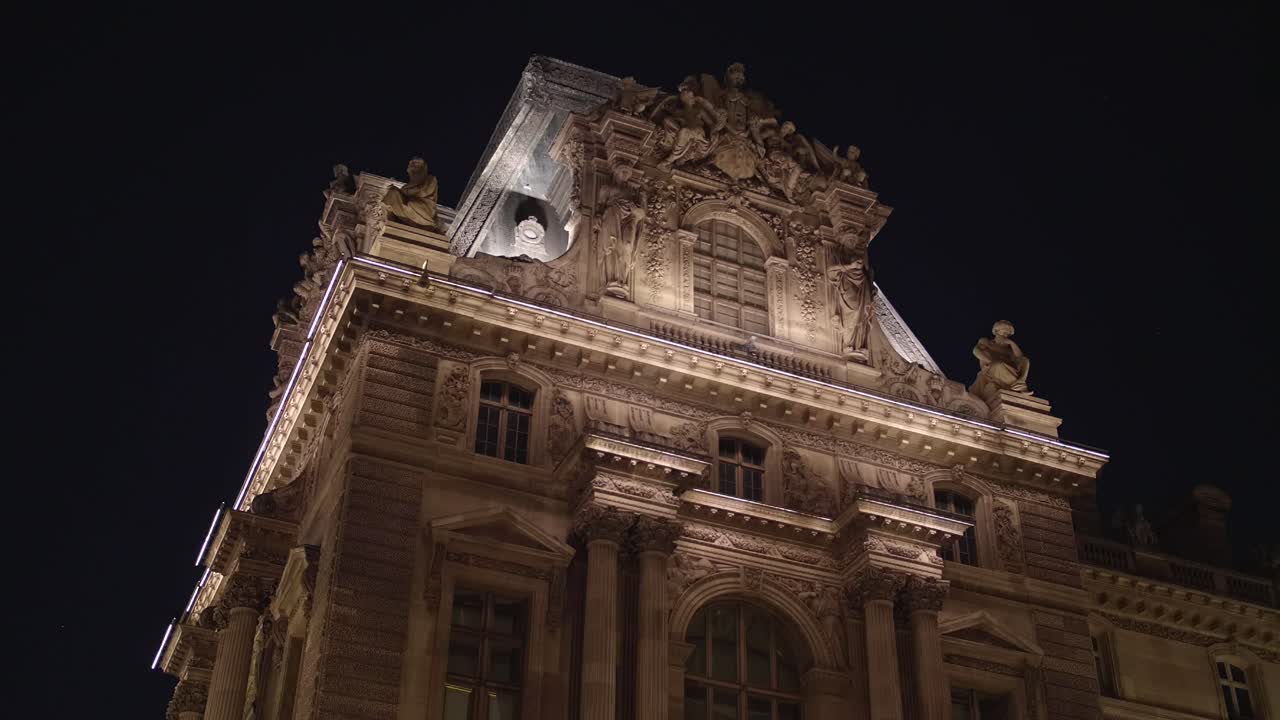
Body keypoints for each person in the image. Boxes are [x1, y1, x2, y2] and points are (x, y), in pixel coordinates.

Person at [972, 320, 1032, 395]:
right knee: (999, 365)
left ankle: (1021, 381)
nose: (1005, 335)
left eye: (1007, 333)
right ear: (996, 331)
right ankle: (1019, 386)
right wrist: (988, 361)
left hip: (1008, 371)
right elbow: (976, 351)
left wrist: (1012, 343)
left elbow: (1021, 358)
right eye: (1004, 332)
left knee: (1025, 360)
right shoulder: (987, 342)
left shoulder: (1009, 350)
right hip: (991, 368)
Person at [383, 157, 438, 228]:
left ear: (423, 167)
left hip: (423, 206)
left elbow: (424, 192)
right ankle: (387, 219)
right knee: (393, 193)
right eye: (412, 163)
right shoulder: (407, 185)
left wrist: (403, 191)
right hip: (408, 203)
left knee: (411, 203)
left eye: (417, 163)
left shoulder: (430, 178)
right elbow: (402, 194)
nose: (414, 165)